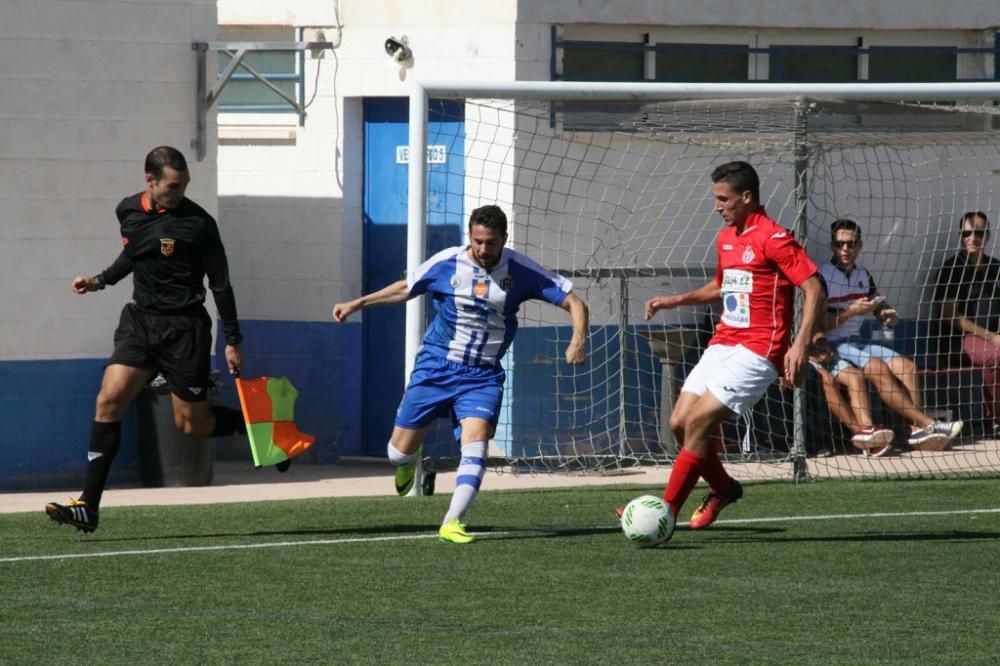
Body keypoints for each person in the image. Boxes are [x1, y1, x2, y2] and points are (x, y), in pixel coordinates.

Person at [332, 205, 589, 544]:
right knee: (397, 452)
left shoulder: (521, 270)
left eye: (492, 243)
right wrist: (356, 304)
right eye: (478, 241)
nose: (484, 249)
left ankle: (452, 522)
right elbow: (405, 288)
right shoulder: (448, 262)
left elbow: (574, 301)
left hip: (481, 377)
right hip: (436, 366)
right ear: (470, 236)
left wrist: (577, 340)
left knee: (477, 444)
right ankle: (409, 460)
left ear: (504, 240)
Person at [45, 146, 250, 534]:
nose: (179, 193)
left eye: (184, 185)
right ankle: (88, 505)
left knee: (191, 424)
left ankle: (253, 426)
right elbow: (134, 255)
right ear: (150, 181)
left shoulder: (199, 223)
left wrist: (232, 339)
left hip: (185, 329)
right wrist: (100, 280)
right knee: (108, 399)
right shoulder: (127, 211)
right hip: (141, 322)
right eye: (173, 186)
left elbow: (220, 284)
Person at [640, 161, 825, 529]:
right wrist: (674, 300)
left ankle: (664, 513)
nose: (717, 206)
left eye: (723, 199)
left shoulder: (774, 238)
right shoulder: (726, 238)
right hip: (724, 341)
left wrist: (800, 344)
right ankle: (723, 489)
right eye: (715, 199)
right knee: (678, 422)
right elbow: (720, 286)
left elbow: (815, 286)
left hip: (759, 349)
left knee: (696, 422)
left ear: (746, 197)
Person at [820, 218, 962, 453]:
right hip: (834, 343)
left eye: (851, 244)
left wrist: (885, 313)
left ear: (860, 246)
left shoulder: (862, 273)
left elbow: (877, 303)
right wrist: (850, 312)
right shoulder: (822, 276)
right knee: (877, 368)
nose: (845, 249)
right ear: (831, 246)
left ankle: (916, 431)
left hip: (857, 342)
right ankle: (927, 424)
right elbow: (818, 325)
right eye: (840, 244)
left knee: (908, 367)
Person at [933, 211, 1000, 433]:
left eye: (979, 233)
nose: (973, 238)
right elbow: (950, 315)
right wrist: (991, 337)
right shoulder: (952, 269)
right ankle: (995, 419)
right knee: (996, 356)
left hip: (995, 335)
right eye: (967, 233)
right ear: (960, 237)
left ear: (988, 237)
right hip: (962, 339)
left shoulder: (995, 268)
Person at [807, 331, 894, 455]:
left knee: (856, 376)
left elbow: (819, 332)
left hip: (823, 350)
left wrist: (823, 346)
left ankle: (867, 427)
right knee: (828, 380)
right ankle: (860, 434)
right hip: (801, 355)